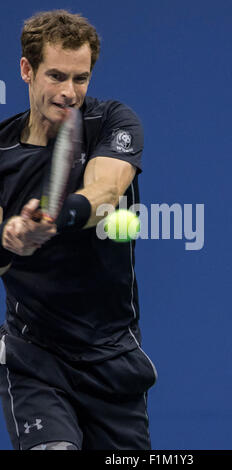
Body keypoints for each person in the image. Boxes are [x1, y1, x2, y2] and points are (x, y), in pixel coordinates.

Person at [0, 9, 157, 451]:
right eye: (56, 76)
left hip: (112, 353)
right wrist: (10, 239)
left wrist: (57, 217)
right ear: (26, 70)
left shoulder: (112, 121)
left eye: (81, 78)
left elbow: (105, 191)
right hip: (35, 357)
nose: (69, 92)